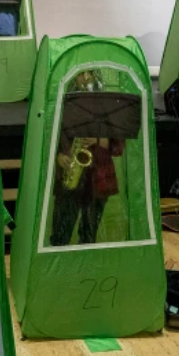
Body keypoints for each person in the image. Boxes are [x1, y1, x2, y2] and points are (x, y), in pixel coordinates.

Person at [50, 70, 125, 246]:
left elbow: (119, 147)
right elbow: (48, 138)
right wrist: (57, 156)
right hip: (70, 172)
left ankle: (86, 270)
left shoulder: (107, 106)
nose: (85, 78)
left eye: (89, 73)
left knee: (89, 234)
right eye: (80, 74)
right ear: (72, 78)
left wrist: (100, 139)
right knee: (61, 232)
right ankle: (59, 268)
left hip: (98, 176)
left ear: (96, 76)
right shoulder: (62, 105)